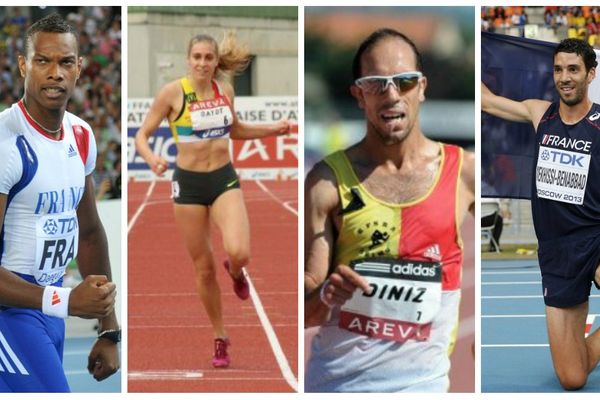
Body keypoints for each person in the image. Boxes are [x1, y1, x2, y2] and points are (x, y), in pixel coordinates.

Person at [304, 28, 475, 392]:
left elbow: (506, 247)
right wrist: (325, 295)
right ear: (358, 95)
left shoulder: (465, 172)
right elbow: (304, 311)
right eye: (376, 84)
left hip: (423, 386)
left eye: (405, 81)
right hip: (339, 384)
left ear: (423, 87)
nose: (392, 95)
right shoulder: (326, 183)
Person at [134, 32, 290, 368]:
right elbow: (142, 135)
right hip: (188, 186)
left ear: (216, 62)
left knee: (240, 252)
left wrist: (272, 129)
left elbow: (235, 130)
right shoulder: (173, 93)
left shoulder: (225, 91)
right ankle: (220, 337)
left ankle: (236, 272)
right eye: (197, 57)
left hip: (223, 178)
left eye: (208, 57)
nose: (203, 63)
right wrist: (151, 159)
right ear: (188, 60)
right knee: (203, 270)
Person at [0, 13, 120, 392]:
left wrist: (110, 329)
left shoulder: (81, 135)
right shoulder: (6, 145)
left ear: (79, 68)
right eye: (43, 61)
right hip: (10, 313)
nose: (55, 73)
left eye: (65, 62)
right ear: (23, 65)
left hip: (48, 312)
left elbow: (89, 233)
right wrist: (66, 302)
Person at [482, 38, 600, 390]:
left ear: (590, 74)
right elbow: (486, 102)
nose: (565, 77)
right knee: (572, 378)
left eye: (574, 69)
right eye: (559, 69)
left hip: (595, 238)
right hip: (556, 250)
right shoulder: (540, 113)